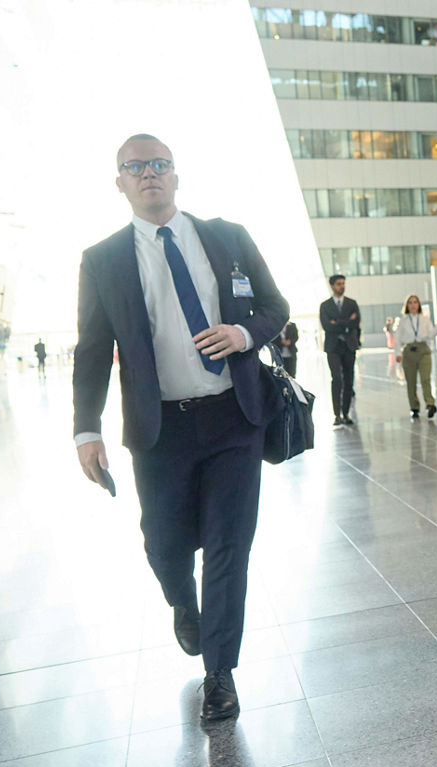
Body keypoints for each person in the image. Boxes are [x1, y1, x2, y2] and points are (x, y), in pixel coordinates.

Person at [73, 133, 289, 720]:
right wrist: (86, 429)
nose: (149, 174)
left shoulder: (227, 236)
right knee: (164, 543)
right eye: (135, 167)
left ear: (175, 175)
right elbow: (91, 351)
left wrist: (243, 334)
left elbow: (275, 306)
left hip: (233, 417)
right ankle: (181, 601)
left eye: (159, 164)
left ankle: (219, 674)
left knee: (228, 544)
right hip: (159, 428)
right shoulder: (103, 259)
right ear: (120, 182)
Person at [319, 274, 361, 425]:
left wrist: (336, 322)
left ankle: (346, 413)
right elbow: (327, 326)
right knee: (337, 378)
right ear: (332, 286)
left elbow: (355, 323)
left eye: (343, 283)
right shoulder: (325, 306)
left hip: (349, 346)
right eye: (338, 284)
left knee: (349, 380)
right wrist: (346, 322)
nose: (342, 286)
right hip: (333, 347)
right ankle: (337, 414)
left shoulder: (352, 303)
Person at [394, 294, 437, 418]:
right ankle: (414, 407)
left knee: (425, 379)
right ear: (407, 306)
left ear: (419, 305)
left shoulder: (424, 319)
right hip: (409, 351)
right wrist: (398, 354)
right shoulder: (403, 321)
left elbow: (431, 334)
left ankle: (430, 403)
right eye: (410, 303)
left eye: (415, 302)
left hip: (423, 350)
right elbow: (397, 339)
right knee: (411, 381)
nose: (413, 305)